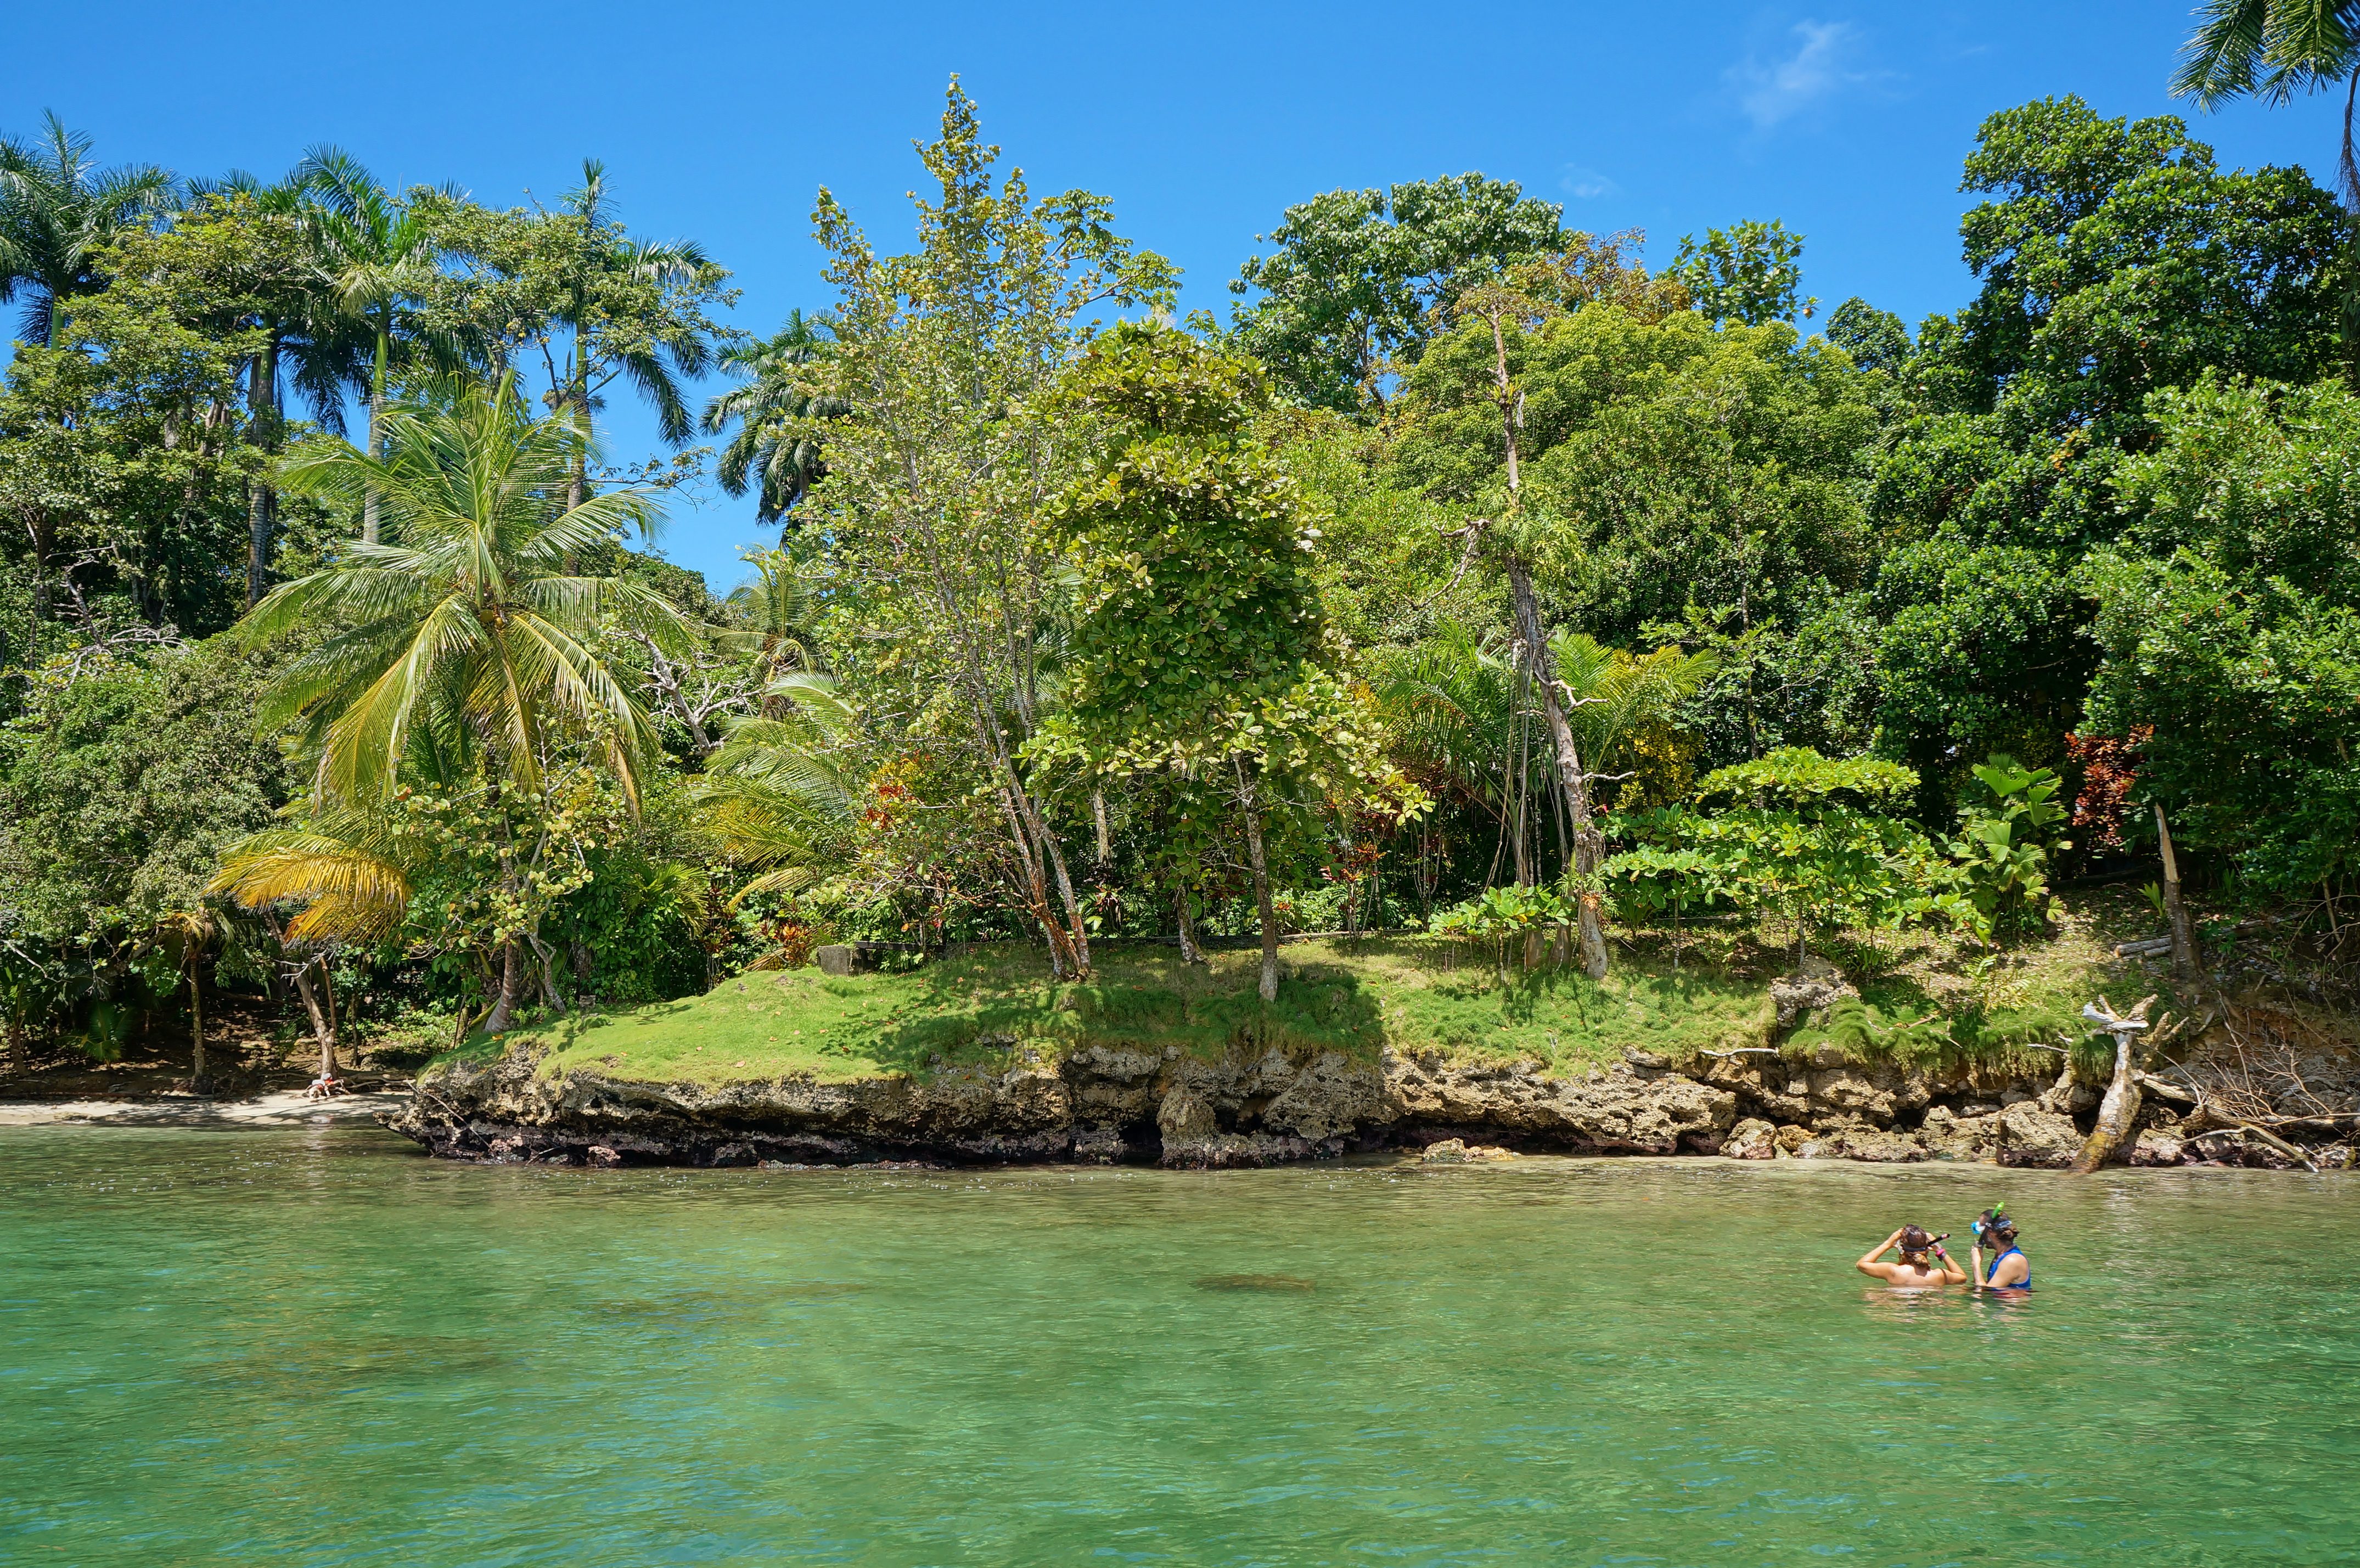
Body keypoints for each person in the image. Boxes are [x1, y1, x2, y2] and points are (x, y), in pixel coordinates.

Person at [1857, 1224, 1966, 1286]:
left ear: (1901, 1248)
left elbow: (1861, 1265)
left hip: (1899, 1309)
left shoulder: (1893, 1271)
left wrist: (1888, 1244)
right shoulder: (1939, 1275)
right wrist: (1940, 1250)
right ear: (1928, 1247)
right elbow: (1962, 1277)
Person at [1971, 1207, 2030, 1292]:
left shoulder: (2012, 1260)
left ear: (1990, 1233)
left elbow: (1983, 1295)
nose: (1980, 1237)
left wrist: (1976, 1263)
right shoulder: (2001, 1254)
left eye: (1980, 1231)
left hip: (2010, 1305)